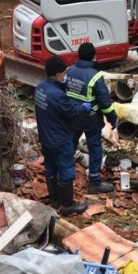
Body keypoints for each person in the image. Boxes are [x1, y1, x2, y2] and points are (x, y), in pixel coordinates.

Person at [35, 56, 92, 216]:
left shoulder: (40, 88)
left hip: (46, 138)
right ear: (57, 74)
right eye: (64, 73)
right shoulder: (57, 95)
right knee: (66, 172)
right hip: (60, 139)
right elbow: (71, 111)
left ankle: (55, 200)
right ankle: (67, 205)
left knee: (51, 169)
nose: (66, 75)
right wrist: (85, 107)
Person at [66, 43, 117, 194]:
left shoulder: (69, 71)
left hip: (73, 115)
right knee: (95, 148)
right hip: (91, 119)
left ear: (79, 55)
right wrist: (112, 119)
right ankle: (94, 182)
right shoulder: (95, 76)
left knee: (70, 144)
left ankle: (65, 176)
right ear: (94, 56)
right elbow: (105, 102)